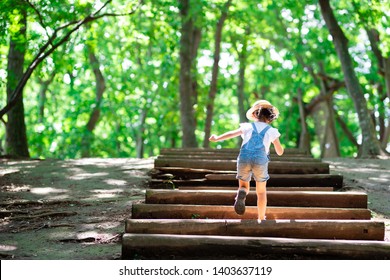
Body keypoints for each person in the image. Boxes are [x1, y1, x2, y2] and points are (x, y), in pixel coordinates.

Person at [209, 100, 284, 221]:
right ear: (270, 117)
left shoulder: (247, 126)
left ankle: (242, 193)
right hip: (260, 160)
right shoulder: (271, 131)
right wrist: (278, 147)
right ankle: (261, 217)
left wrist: (217, 138)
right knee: (261, 192)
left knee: (244, 185)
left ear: (255, 115)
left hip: (244, 157)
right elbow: (280, 151)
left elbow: (232, 133)